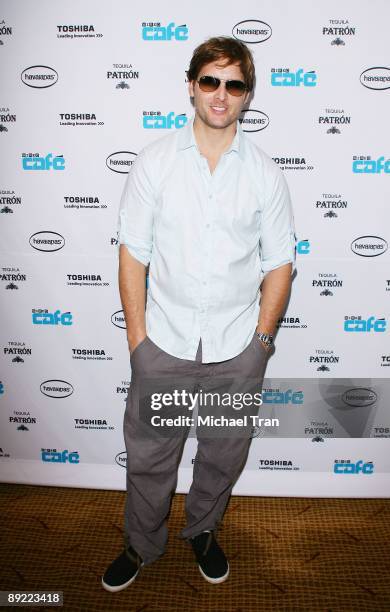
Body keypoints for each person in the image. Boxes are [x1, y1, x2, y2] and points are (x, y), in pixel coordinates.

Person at [102, 36, 296, 592]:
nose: (221, 94)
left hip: (237, 349)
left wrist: (261, 342)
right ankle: (142, 545)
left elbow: (279, 262)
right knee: (150, 461)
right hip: (162, 344)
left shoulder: (264, 173)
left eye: (233, 84)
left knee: (221, 458)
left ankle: (204, 532)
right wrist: (138, 341)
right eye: (210, 80)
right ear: (192, 86)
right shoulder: (155, 163)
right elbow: (133, 254)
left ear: (246, 96)